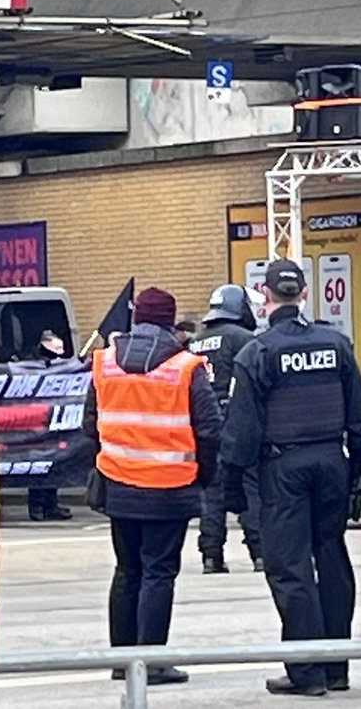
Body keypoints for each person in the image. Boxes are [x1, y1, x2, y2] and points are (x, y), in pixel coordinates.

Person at [221, 259, 361, 697]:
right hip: (331, 459)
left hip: (283, 467)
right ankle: (336, 667)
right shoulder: (336, 343)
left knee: (290, 567)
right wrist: (359, 471)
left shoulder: (258, 352)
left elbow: (242, 428)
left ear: (265, 297)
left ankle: (307, 671)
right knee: (331, 560)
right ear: (305, 294)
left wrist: (232, 485)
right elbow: (360, 417)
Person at [89, 286, 221, 686]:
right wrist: (206, 475)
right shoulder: (185, 366)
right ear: (169, 319)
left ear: (135, 317)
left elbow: (86, 425)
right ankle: (152, 662)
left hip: (118, 483)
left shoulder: (105, 363)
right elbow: (210, 428)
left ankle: (123, 660)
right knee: (159, 573)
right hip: (169, 487)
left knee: (127, 571)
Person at [189, 284, 262, 574]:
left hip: (205, 424)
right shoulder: (245, 339)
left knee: (212, 492)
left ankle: (211, 556)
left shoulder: (195, 342)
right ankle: (260, 553)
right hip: (239, 421)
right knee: (250, 488)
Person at [29, 329, 73, 522]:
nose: (61, 352)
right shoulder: (33, 365)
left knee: (55, 464)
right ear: (46, 346)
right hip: (38, 423)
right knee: (39, 466)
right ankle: (37, 504)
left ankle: (51, 503)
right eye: (57, 348)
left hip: (56, 420)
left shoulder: (61, 365)